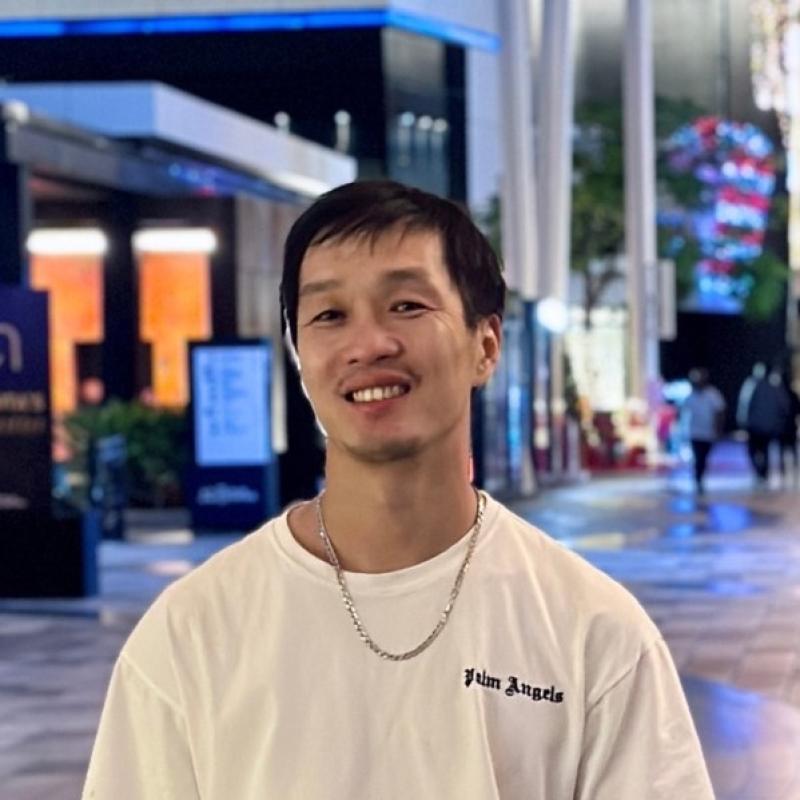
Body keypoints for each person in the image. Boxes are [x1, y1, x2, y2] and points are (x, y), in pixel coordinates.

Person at [83, 181, 714, 799]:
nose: (368, 345)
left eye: (407, 305)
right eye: (329, 315)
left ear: (485, 345)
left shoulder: (593, 633)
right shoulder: (192, 632)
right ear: (300, 359)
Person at [681, 368, 725, 495]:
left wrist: (718, 429)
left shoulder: (713, 394)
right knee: (698, 457)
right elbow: (683, 413)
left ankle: (700, 476)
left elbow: (720, 411)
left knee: (704, 457)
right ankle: (698, 479)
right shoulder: (690, 396)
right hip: (694, 433)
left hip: (708, 433)